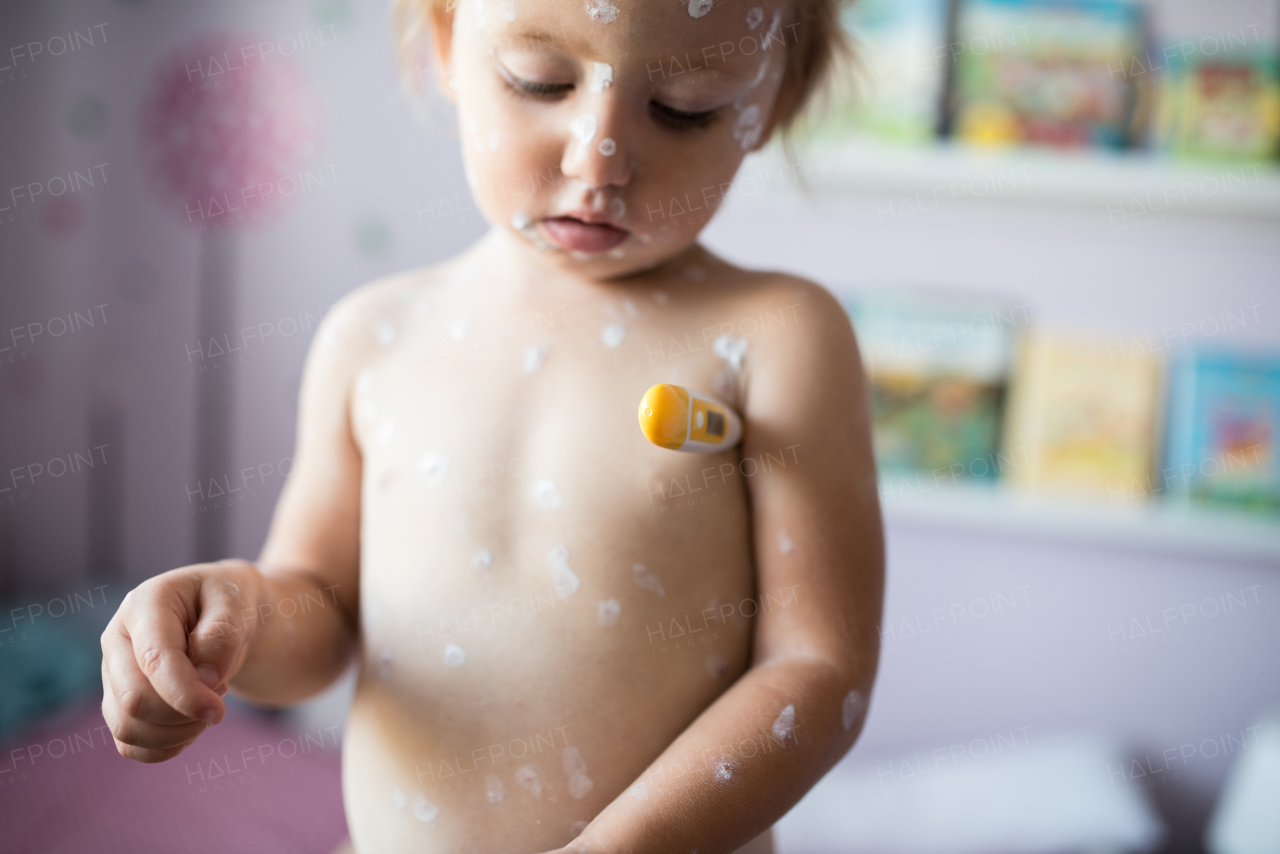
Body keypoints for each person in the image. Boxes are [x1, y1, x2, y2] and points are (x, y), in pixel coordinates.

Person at [99, 0, 884, 849]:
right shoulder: (373, 339)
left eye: (685, 108)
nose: (600, 159)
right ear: (446, 43)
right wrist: (230, 616)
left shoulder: (776, 337)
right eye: (538, 82)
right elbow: (319, 615)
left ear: (776, 99)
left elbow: (818, 668)